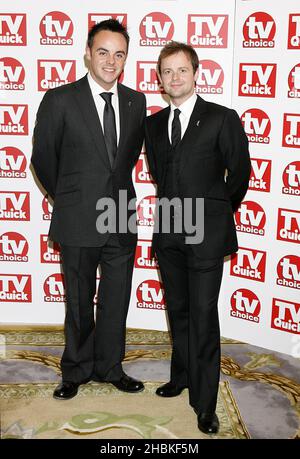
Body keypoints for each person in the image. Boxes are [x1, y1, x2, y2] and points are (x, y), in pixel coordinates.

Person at [31, 19, 146, 400]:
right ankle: (76, 370)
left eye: (119, 54)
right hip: (78, 216)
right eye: (103, 52)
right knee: (78, 300)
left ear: (125, 59)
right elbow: (43, 158)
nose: (110, 61)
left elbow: (124, 161)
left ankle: (111, 367)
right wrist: (64, 197)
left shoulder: (136, 101)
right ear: (87, 53)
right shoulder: (60, 99)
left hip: (121, 217)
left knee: (116, 298)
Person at [145, 41, 251, 434]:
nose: (175, 78)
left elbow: (239, 176)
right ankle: (182, 376)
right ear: (160, 79)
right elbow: (160, 174)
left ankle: (205, 402)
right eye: (167, 72)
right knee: (179, 311)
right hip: (168, 232)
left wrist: (215, 212)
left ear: (195, 73)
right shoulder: (153, 124)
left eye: (182, 70)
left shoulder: (223, 118)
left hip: (206, 235)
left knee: (204, 317)